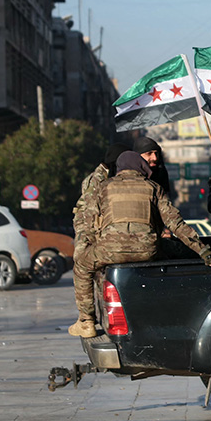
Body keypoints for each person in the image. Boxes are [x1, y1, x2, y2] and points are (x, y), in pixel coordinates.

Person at [68, 152, 211, 338]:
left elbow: (88, 222)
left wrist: (94, 247)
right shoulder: (153, 187)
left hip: (109, 250)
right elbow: (175, 224)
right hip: (148, 250)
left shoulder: (103, 187)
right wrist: (203, 251)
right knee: (174, 252)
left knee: (82, 266)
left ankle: (86, 321)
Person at [71, 143, 129, 335]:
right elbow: (90, 216)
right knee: (86, 270)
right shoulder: (97, 180)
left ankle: (100, 319)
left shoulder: (109, 177)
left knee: (101, 279)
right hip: (89, 234)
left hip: (100, 233)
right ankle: (87, 320)